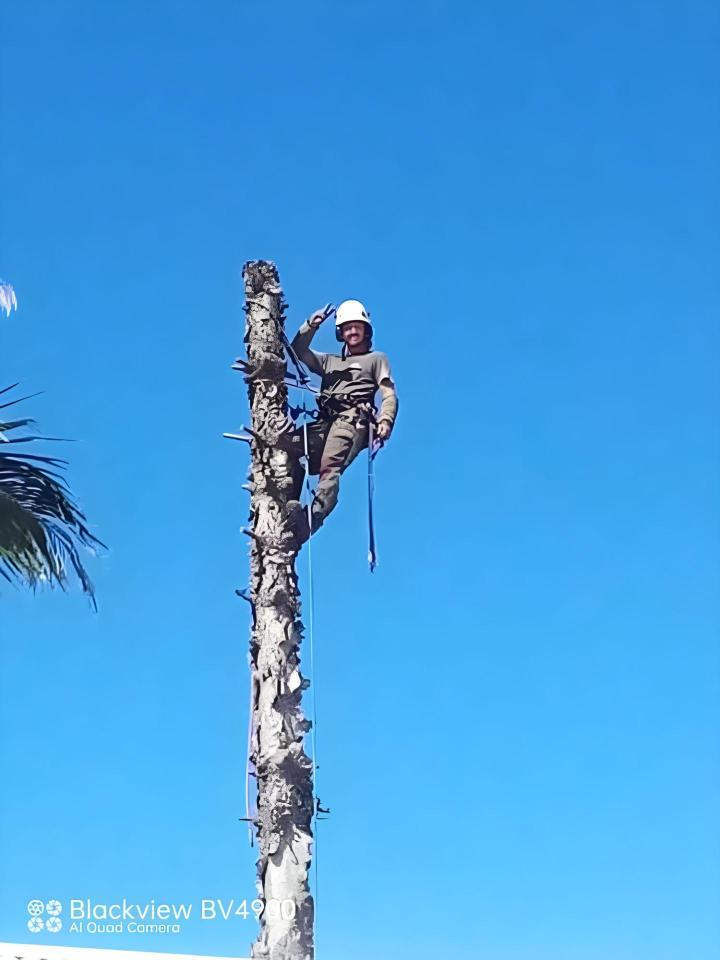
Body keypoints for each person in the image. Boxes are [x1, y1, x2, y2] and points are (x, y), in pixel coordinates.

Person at [284, 299, 398, 545]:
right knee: (291, 446)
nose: (352, 331)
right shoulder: (330, 362)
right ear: (340, 333)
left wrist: (386, 420)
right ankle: (289, 507)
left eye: (357, 326)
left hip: (352, 420)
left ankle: (309, 521)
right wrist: (311, 325)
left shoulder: (376, 359)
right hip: (325, 421)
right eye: (347, 327)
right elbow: (298, 352)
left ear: (366, 330)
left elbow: (388, 393)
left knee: (330, 466)